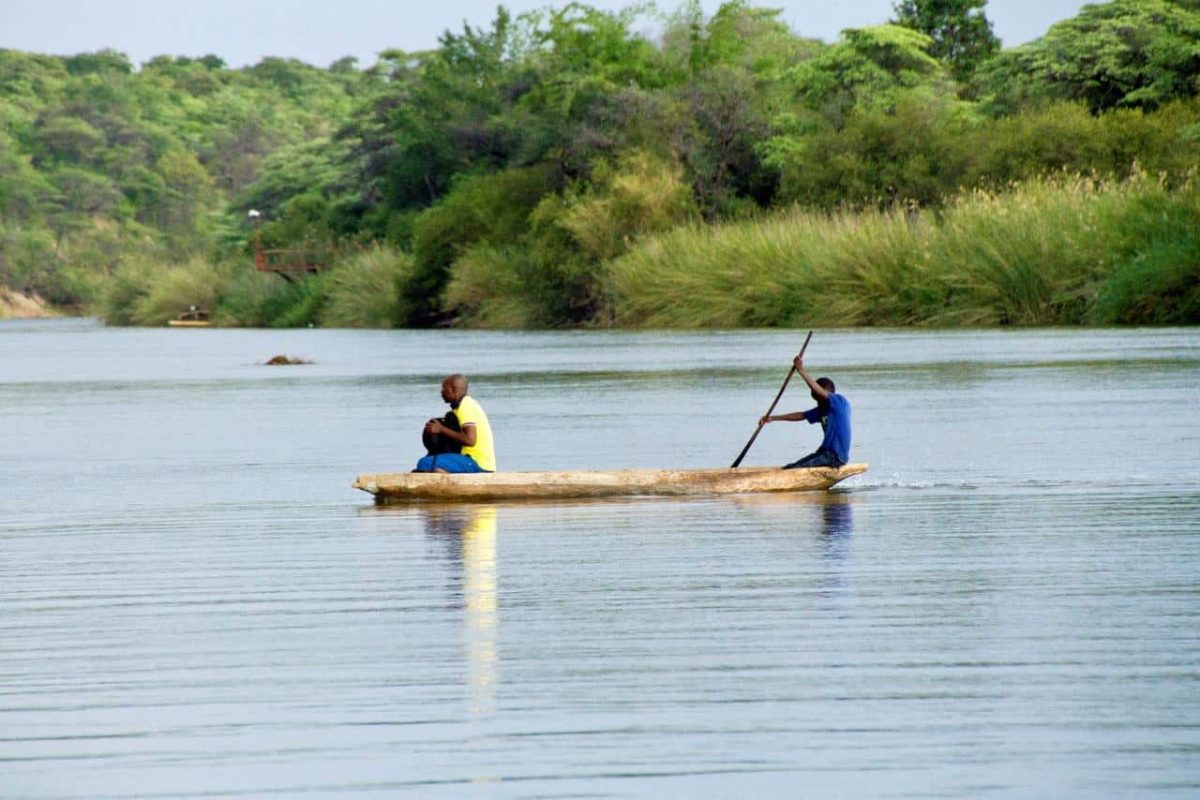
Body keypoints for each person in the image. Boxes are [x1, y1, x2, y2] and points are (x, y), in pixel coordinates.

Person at [759, 355, 851, 469]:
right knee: (790, 467)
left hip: (836, 456)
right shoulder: (823, 409)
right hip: (824, 453)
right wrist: (773, 418)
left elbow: (819, 390)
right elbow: (801, 415)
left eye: (818, 398)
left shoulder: (839, 402)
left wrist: (801, 370)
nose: (817, 403)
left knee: (796, 470)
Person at [414, 374, 496, 473]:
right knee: (426, 463)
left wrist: (441, 429)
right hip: (469, 459)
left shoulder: (465, 407)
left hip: (477, 463)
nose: (441, 392)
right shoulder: (461, 406)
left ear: (453, 389)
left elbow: (470, 441)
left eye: (444, 388)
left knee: (424, 463)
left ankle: (449, 479)